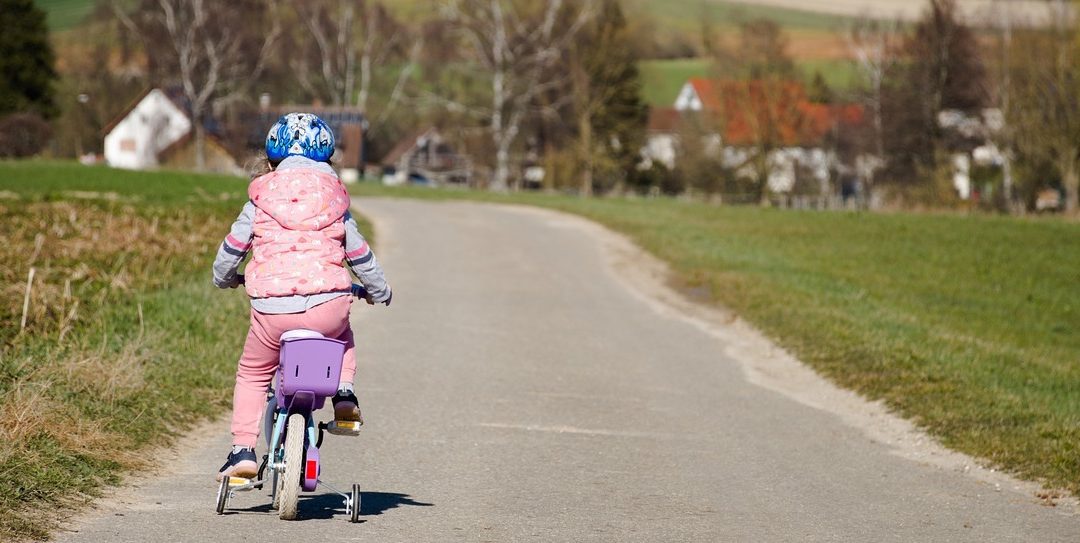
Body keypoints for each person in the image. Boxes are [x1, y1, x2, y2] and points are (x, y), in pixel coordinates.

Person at [212, 113, 391, 480]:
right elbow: (359, 255)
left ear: (271, 160)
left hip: (271, 310)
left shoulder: (259, 200)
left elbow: (232, 250)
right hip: (328, 304)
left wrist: (225, 278)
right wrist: (377, 289)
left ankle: (243, 451)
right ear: (328, 159)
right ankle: (343, 395)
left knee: (253, 373)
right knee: (342, 336)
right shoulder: (335, 200)